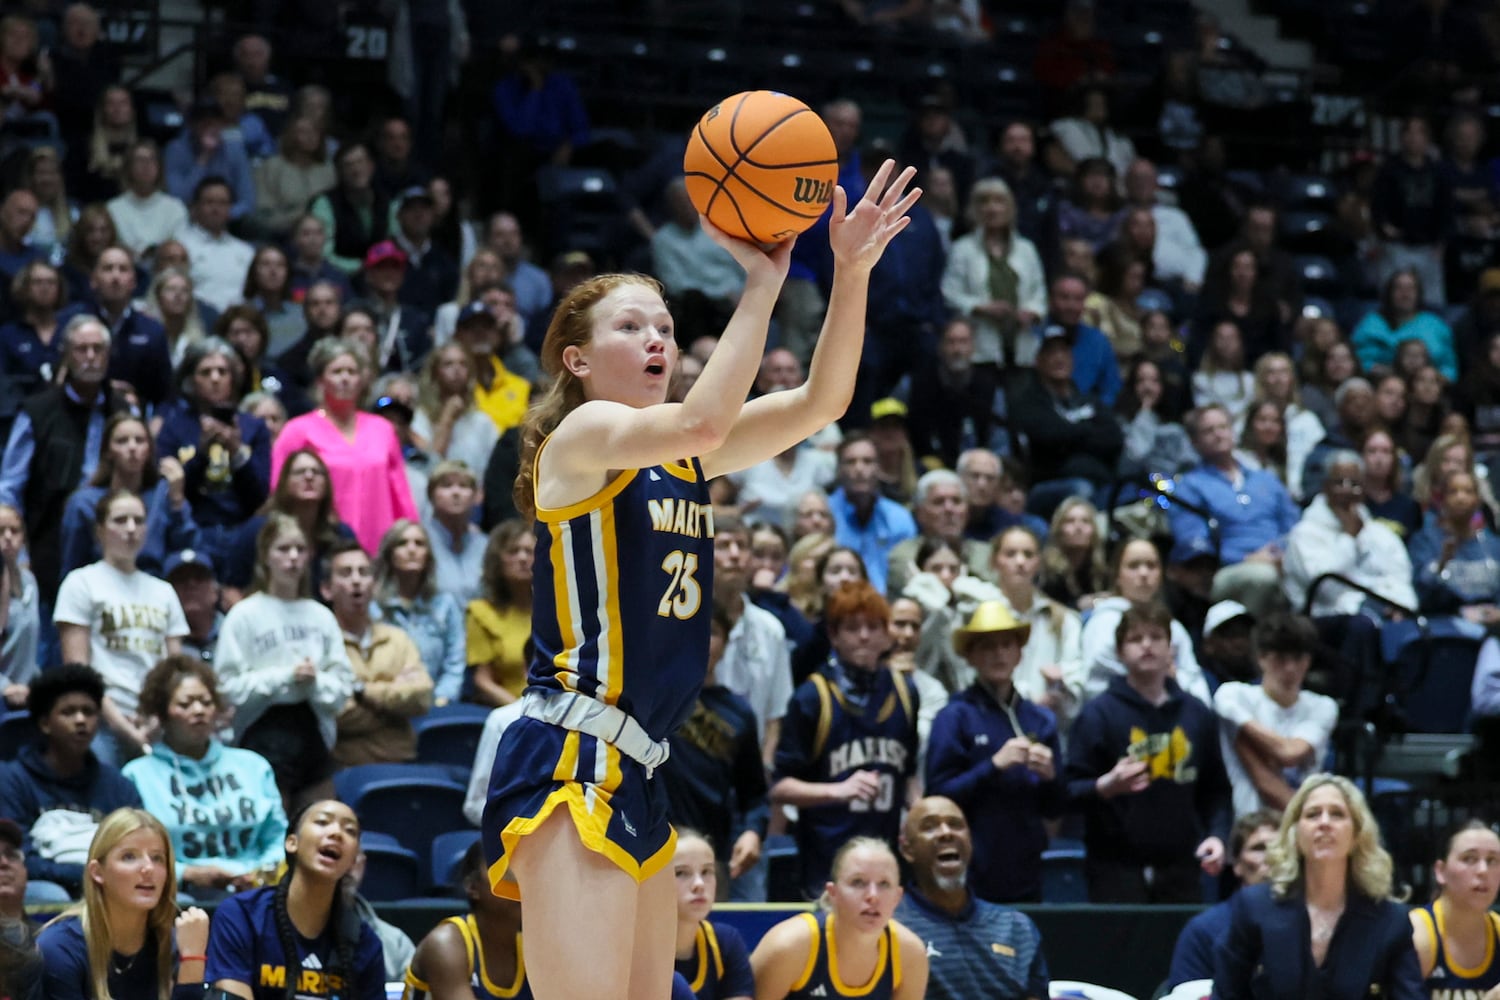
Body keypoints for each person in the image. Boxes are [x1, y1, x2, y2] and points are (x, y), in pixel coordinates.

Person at [481, 162, 918, 1000]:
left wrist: (851, 271)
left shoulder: (680, 452)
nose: (658, 340)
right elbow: (707, 416)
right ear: (575, 358)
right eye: (631, 326)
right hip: (574, 755)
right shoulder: (583, 436)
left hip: (642, 765)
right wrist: (763, 279)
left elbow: (822, 403)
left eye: (667, 327)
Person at [1065, 601, 1230, 903]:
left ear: (1172, 649)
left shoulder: (1197, 714)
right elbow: (1068, 792)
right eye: (1135, 639)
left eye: (1156, 637)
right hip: (1114, 868)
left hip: (1183, 867)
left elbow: (1216, 790)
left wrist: (1217, 836)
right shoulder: (1097, 715)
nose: (1147, 646)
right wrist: (1105, 786)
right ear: (1119, 652)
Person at [1213, 774, 1424, 999]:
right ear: (1295, 834)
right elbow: (1227, 993)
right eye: (1313, 814)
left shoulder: (1391, 921)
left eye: (1337, 814)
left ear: (1356, 835)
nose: (1324, 823)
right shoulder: (1255, 908)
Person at [772, 581, 920, 898]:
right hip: (825, 867)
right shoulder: (812, 697)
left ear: (887, 634)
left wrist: (918, 812)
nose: (864, 636)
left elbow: (907, 775)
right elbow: (780, 786)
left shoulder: (906, 692)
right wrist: (838, 790)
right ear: (834, 636)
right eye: (853, 628)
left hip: (885, 864)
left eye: (873, 627)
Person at [213, 513, 354, 812]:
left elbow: (342, 688)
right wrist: (284, 677)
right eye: (283, 549)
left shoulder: (321, 616)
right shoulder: (244, 615)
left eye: (300, 550)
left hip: (313, 733)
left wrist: (314, 681)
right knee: (275, 829)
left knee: (320, 821)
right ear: (265, 556)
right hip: (262, 732)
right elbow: (227, 687)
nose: (293, 558)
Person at [925, 602, 1062, 903]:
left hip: (1027, 869)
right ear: (970, 656)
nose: (999, 654)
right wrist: (994, 766)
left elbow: (1055, 807)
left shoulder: (1040, 720)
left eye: (1006, 645)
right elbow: (937, 795)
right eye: (987, 647)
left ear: (1019, 653)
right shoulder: (955, 716)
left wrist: (1052, 777)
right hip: (971, 871)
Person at [122, 654, 287, 899]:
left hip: (256, 888)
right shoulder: (136, 775)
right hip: (178, 894)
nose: (199, 710)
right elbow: (130, 853)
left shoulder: (252, 765)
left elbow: (277, 836)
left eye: (206, 702)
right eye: (186, 704)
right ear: (163, 713)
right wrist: (185, 874)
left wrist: (262, 873)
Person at [54, 490, 189, 764]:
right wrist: (121, 725)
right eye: (120, 520)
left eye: (138, 521)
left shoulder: (163, 591)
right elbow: (79, 672)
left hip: (156, 721)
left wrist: (155, 718)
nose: (131, 529)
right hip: (102, 721)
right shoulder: (81, 583)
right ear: (100, 530)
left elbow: (175, 669)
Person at [203, 799, 385, 1000]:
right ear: (291, 842)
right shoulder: (241, 915)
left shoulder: (364, 941)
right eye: (323, 822)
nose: (336, 833)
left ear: (353, 860)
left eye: (350, 831)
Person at [0, 663, 142, 899]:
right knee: (51, 895)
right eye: (68, 712)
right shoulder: (12, 780)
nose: (80, 720)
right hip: (46, 885)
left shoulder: (118, 785)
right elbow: (17, 855)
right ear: (45, 723)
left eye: (89, 712)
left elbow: (139, 847)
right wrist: (88, 874)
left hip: (109, 886)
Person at [37, 808, 210, 1000]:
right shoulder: (59, 948)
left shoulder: (177, 941)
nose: (148, 868)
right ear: (97, 872)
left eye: (157, 858)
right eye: (129, 856)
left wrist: (193, 960)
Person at [270, 337, 419, 554]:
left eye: (352, 372)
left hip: (381, 546)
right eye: (337, 371)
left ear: (362, 380)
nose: (345, 378)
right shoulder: (297, 431)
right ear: (321, 380)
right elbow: (279, 493)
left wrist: (409, 536)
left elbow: (400, 494)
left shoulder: (382, 429)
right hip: (323, 545)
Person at [893, 796, 1049, 1000]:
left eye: (956, 825)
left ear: (970, 841)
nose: (946, 833)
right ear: (907, 849)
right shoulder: (889, 927)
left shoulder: (1017, 928)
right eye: (929, 827)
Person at [661, 606, 768, 899]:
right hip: (651, 852)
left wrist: (753, 832)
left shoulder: (738, 713)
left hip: (711, 859)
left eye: (711, 632)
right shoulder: (648, 702)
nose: (700, 640)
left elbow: (755, 794)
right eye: (690, 629)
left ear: (726, 642)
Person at [749, 836, 928, 1000]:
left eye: (884, 884)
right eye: (858, 882)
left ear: (897, 897)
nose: (873, 896)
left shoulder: (910, 954)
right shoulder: (789, 946)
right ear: (833, 893)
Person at [1213, 614, 1339, 816]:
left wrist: (1252, 735)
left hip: (1299, 828)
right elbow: (1280, 759)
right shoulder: (1233, 695)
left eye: (1297, 658)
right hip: (1247, 824)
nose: (1290, 668)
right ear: (1261, 658)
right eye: (1280, 659)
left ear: (1308, 661)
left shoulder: (1323, 706)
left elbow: (1289, 753)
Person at [323, 538, 432, 767]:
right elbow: (336, 714)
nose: (356, 581)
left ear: (373, 583)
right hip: (345, 767)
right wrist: (395, 707)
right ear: (326, 589)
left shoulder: (396, 638)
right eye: (345, 573)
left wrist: (362, 692)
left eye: (364, 572)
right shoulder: (321, 643)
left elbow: (422, 696)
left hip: (402, 762)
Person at [58, 412, 198, 582]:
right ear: (108, 451)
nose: (132, 447)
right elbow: (72, 567)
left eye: (139, 440)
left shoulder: (163, 495)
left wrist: (177, 500)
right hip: (101, 588)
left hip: (155, 586)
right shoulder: (83, 503)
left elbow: (188, 550)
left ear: (150, 450)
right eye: (122, 441)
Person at [1080, 537, 1212, 705]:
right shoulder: (1103, 622)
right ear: (1117, 576)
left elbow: (1197, 689)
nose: (1143, 574)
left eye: (1151, 565)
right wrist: (1153, 679)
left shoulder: (1175, 627)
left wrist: (1173, 679)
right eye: (1133, 566)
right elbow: (1095, 684)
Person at [1166, 808, 1280, 988]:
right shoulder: (1203, 931)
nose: (1272, 858)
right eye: (1259, 848)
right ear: (1236, 863)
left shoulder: (1310, 923)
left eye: (1281, 848)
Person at [403, 841, 532, 1000]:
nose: (520, 884)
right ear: (472, 887)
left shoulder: (532, 949)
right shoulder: (445, 944)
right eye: (507, 872)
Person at [375, 519, 466, 706]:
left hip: (438, 704)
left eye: (419, 543)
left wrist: (442, 698)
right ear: (390, 555)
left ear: (428, 556)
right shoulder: (374, 607)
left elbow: (455, 661)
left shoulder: (445, 605)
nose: (411, 549)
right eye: (402, 543)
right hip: (388, 704)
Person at [1409, 820, 1500, 997]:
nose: (1483, 870)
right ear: (1440, 871)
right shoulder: (1417, 935)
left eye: (1493, 860)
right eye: (1469, 859)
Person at [671, 832, 754, 999]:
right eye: (681, 873)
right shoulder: (635, 950)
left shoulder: (726, 942)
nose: (699, 884)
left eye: (706, 871)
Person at [465, 519, 533, 708]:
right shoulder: (481, 613)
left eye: (529, 551)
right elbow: (482, 681)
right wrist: (522, 710)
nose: (522, 558)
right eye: (513, 551)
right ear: (498, 559)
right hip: (510, 711)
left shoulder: (555, 611)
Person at [0, 504, 38, 703]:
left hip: (25, 695)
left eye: (14, 530)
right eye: (0, 531)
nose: (8, 537)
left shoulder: (29, 581)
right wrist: (4, 687)